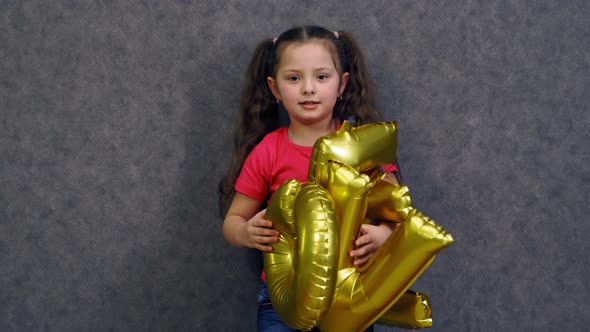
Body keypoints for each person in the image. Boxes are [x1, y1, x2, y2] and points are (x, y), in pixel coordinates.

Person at [218, 25, 401, 332]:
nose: (308, 88)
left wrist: (384, 235)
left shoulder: (362, 144)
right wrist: (246, 232)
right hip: (283, 299)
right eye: (293, 78)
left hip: (348, 296)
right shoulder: (268, 152)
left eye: (321, 76)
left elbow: (398, 214)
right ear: (274, 89)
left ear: (341, 83)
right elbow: (232, 222)